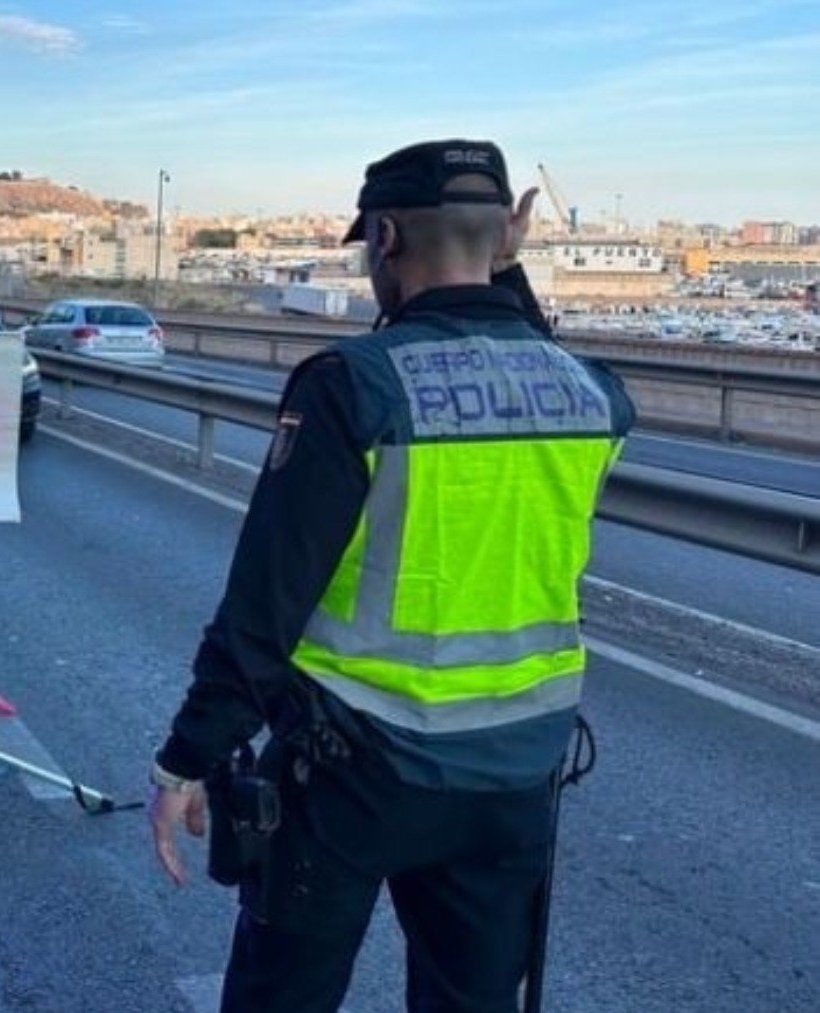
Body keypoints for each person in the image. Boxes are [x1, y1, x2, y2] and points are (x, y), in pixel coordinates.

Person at [147, 139, 636, 1012]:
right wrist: (504, 272)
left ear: (383, 237)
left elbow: (267, 602)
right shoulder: (591, 392)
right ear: (500, 242)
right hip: (515, 777)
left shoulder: (353, 387)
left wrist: (190, 756)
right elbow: (518, 346)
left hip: (352, 776)